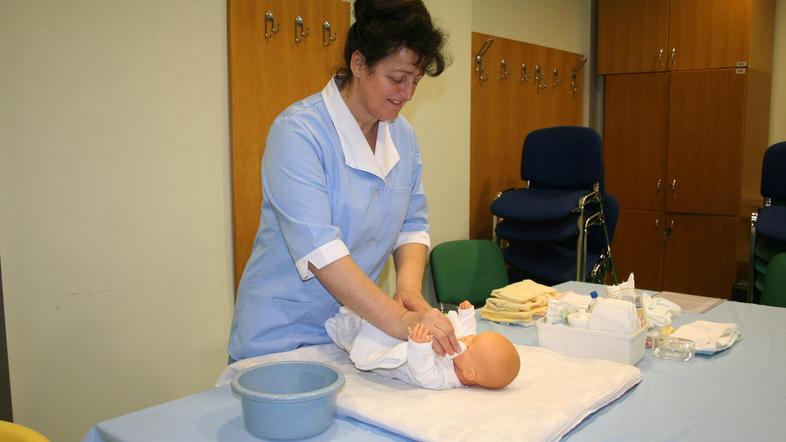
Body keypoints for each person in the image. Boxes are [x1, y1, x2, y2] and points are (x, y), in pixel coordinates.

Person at [227, 0, 460, 362]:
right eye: (397, 79)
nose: (407, 93)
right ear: (359, 64)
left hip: (354, 332)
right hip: (281, 339)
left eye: (415, 81)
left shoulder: (403, 136)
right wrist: (399, 320)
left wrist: (409, 291)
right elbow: (322, 252)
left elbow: (412, 224)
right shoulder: (299, 133)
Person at [325, 301, 521, 390]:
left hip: (401, 357)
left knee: (361, 340)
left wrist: (419, 347)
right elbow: (468, 333)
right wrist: (467, 315)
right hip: (405, 337)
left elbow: (422, 371)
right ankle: (357, 314)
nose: (468, 339)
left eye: (471, 344)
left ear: (469, 374)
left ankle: (342, 329)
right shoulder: (464, 356)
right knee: (376, 320)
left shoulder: (444, 379)